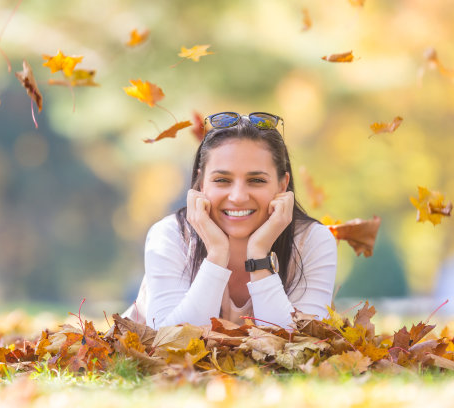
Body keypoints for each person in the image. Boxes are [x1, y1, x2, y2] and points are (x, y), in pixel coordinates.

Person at [123, 112, 337, 330]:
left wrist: (259, 256)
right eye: (222, 180)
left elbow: (302, 344)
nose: (238, 196)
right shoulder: (170, 236)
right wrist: (216, 255)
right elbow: (169, 342)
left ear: (283, 185)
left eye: (256, 180)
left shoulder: (311, 241)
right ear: (202, 184)